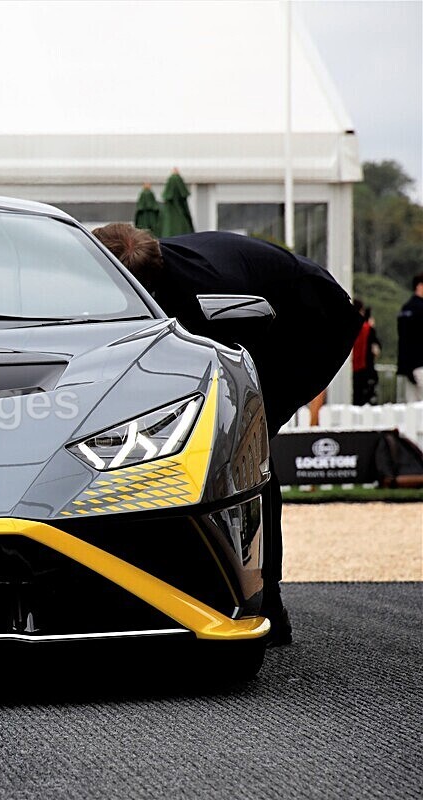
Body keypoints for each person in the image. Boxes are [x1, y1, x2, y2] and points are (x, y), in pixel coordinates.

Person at [92, 223, 363, 646]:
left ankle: (266, 605)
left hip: (308, 323)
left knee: (246, 453)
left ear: (148, 285)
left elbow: (231, 377)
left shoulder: (210, 298)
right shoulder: (119, 277)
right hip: (256, 305)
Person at [397, 274, 423, 403]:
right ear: (419, 286)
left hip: (407, 366)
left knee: (412, 406)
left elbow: (403, 338)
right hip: (420, 363)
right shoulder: (420, 308)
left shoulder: (405, 308)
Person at [351, 300, 382, 405]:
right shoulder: (367, 329)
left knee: (357, 399)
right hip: (366, 369)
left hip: (355, 369)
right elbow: (376, 349)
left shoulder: (352, 327)